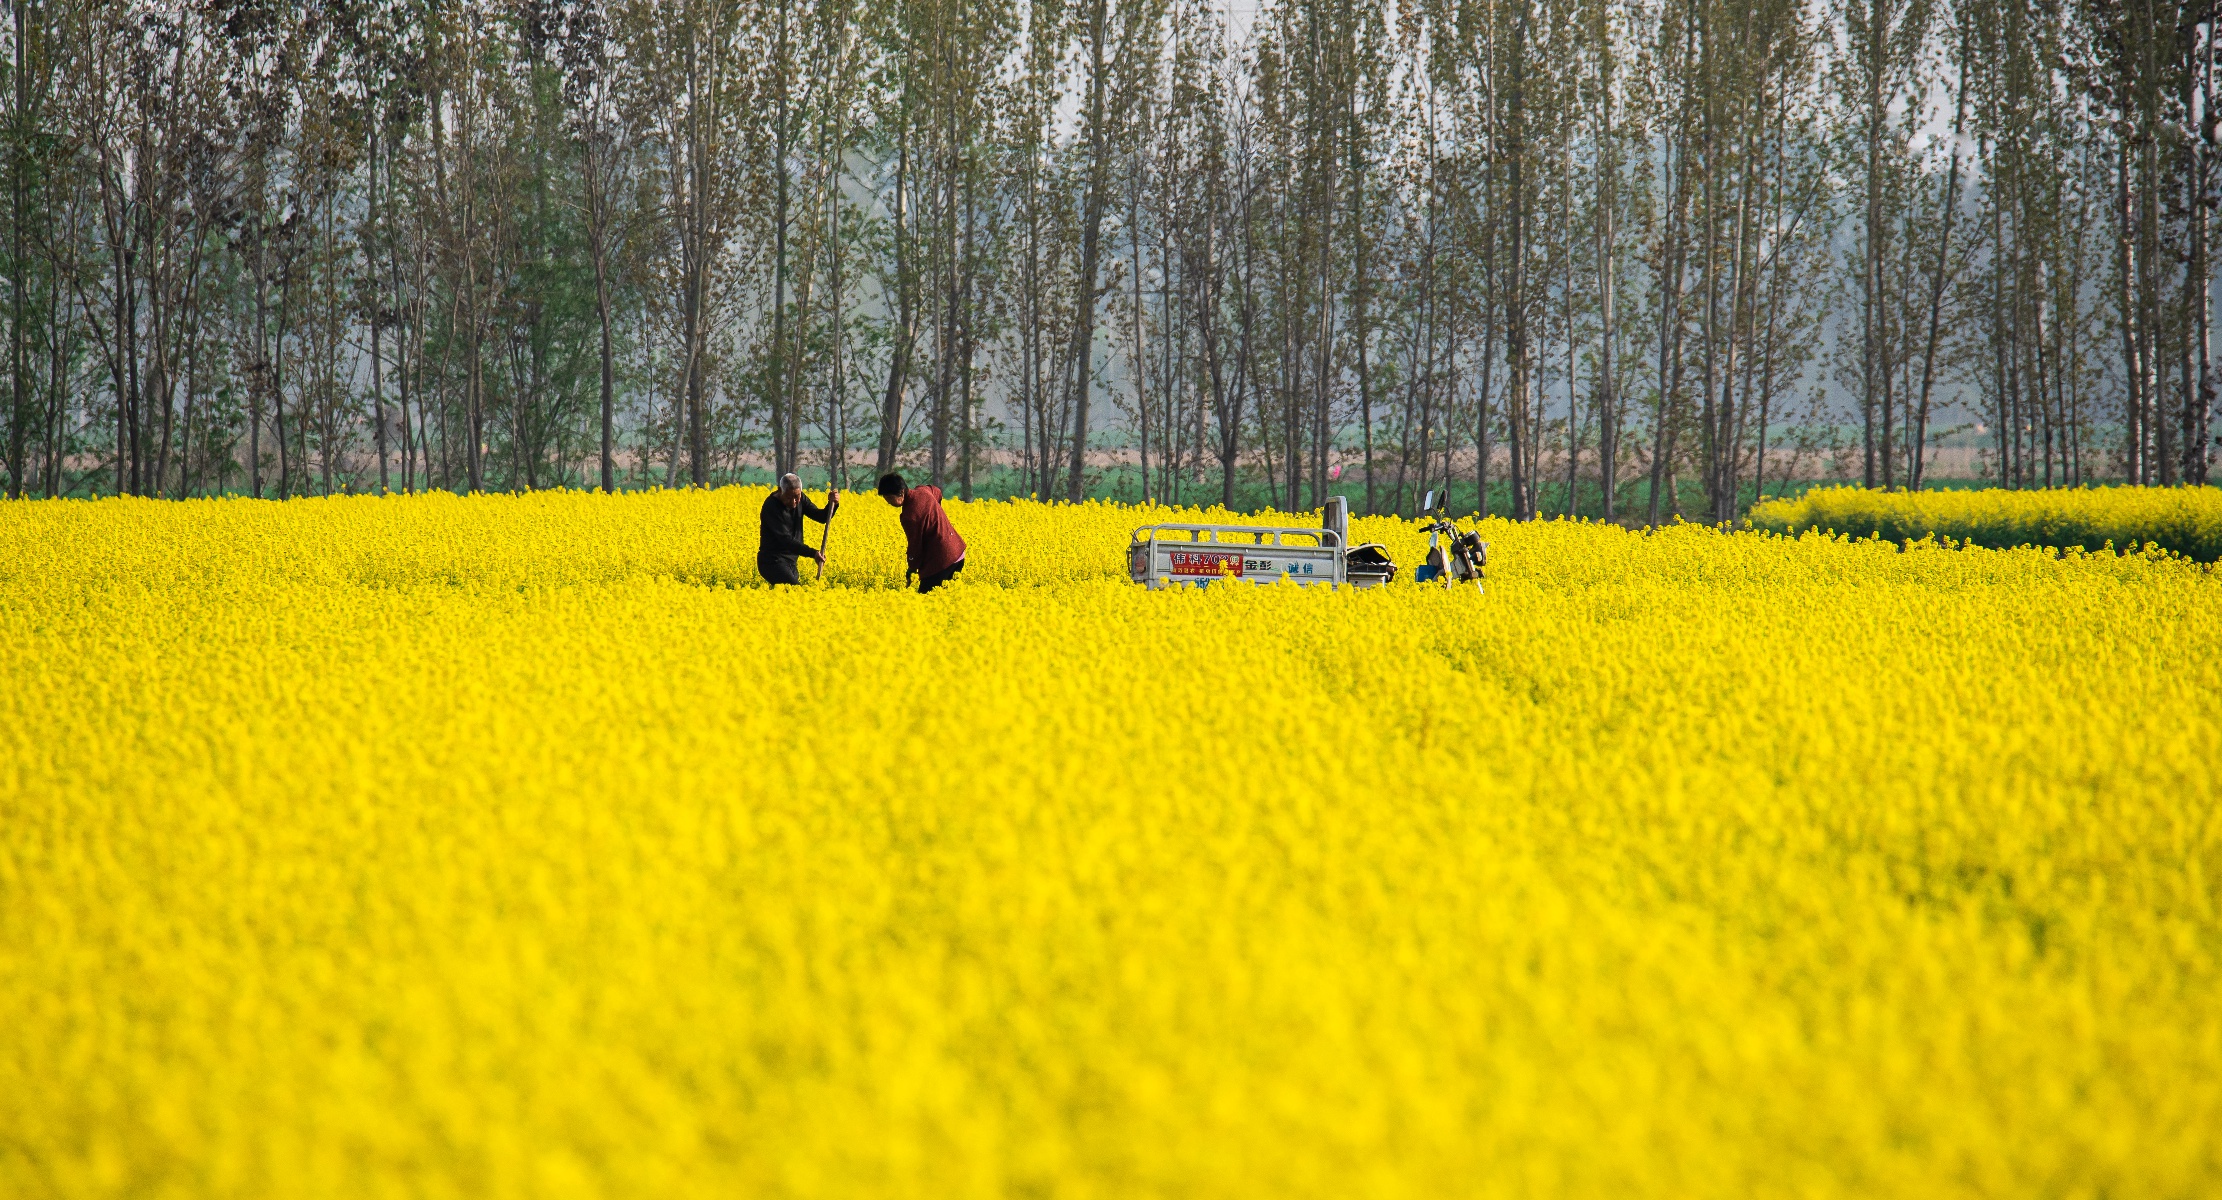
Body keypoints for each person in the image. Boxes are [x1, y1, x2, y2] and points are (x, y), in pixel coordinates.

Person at [877, 472, 966, 593]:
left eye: (889, 498)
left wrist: (912, 569)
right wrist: (935, 512)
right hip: (958, 553)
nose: (888, 502)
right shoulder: (923, 491)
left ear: (902, 492)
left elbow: (915, 545)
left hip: (942, 560)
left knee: (926, 601)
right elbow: (937, 491)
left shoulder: (910, 517)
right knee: (949, 598)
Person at [759, 473, 838, 586]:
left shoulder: (800, 498)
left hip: (791, 562)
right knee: (796, 591)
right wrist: (813, 553)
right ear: (780, 490)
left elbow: (821, 517)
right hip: (772, 561)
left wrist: (833, 504)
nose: (793, 502)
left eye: (797, 497)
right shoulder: (771, 506)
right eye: (789, 497)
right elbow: (786, 540)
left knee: (789, 599)